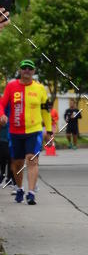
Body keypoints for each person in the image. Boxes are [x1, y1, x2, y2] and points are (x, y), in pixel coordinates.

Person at [0, 59, 50, 204]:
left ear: (33, 71)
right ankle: (20, 188)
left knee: (32, 159)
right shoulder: (11, 86)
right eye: (24, 68)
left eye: (30, 68)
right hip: (15, 131)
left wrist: (49, 130)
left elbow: (45, 111)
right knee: (17, 163)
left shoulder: (40, 88)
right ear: (20, 71)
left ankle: (31, 193)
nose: (27, 70)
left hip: (34, 131)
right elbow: (2, 104)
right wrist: (2, 115)